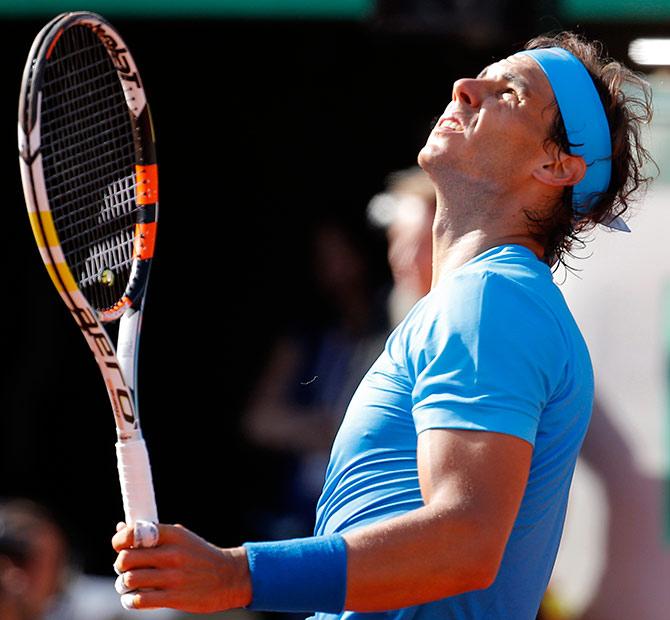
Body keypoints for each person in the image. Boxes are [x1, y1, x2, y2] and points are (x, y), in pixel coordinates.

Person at [111, 32, 654, 619]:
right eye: (481, 77)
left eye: (509, 93)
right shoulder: (485, 300)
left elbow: (463, 541)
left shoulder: (494, 298)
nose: (465, 89)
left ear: (556, 164)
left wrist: (236, 574)